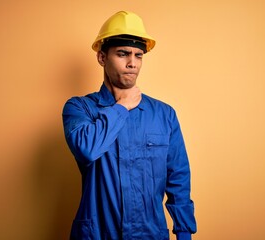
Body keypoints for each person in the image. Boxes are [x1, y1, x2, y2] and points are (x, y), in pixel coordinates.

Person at [62, 10, 197, 240]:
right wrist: (121, 107)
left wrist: (184, 234)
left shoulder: (164, 115)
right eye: (123, 54)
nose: (132, 63)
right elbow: (87, 150)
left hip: (149, 234)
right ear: (102, 57)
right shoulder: (79, 108)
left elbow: (178, 180)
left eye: (138, 55)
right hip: (99, 234)